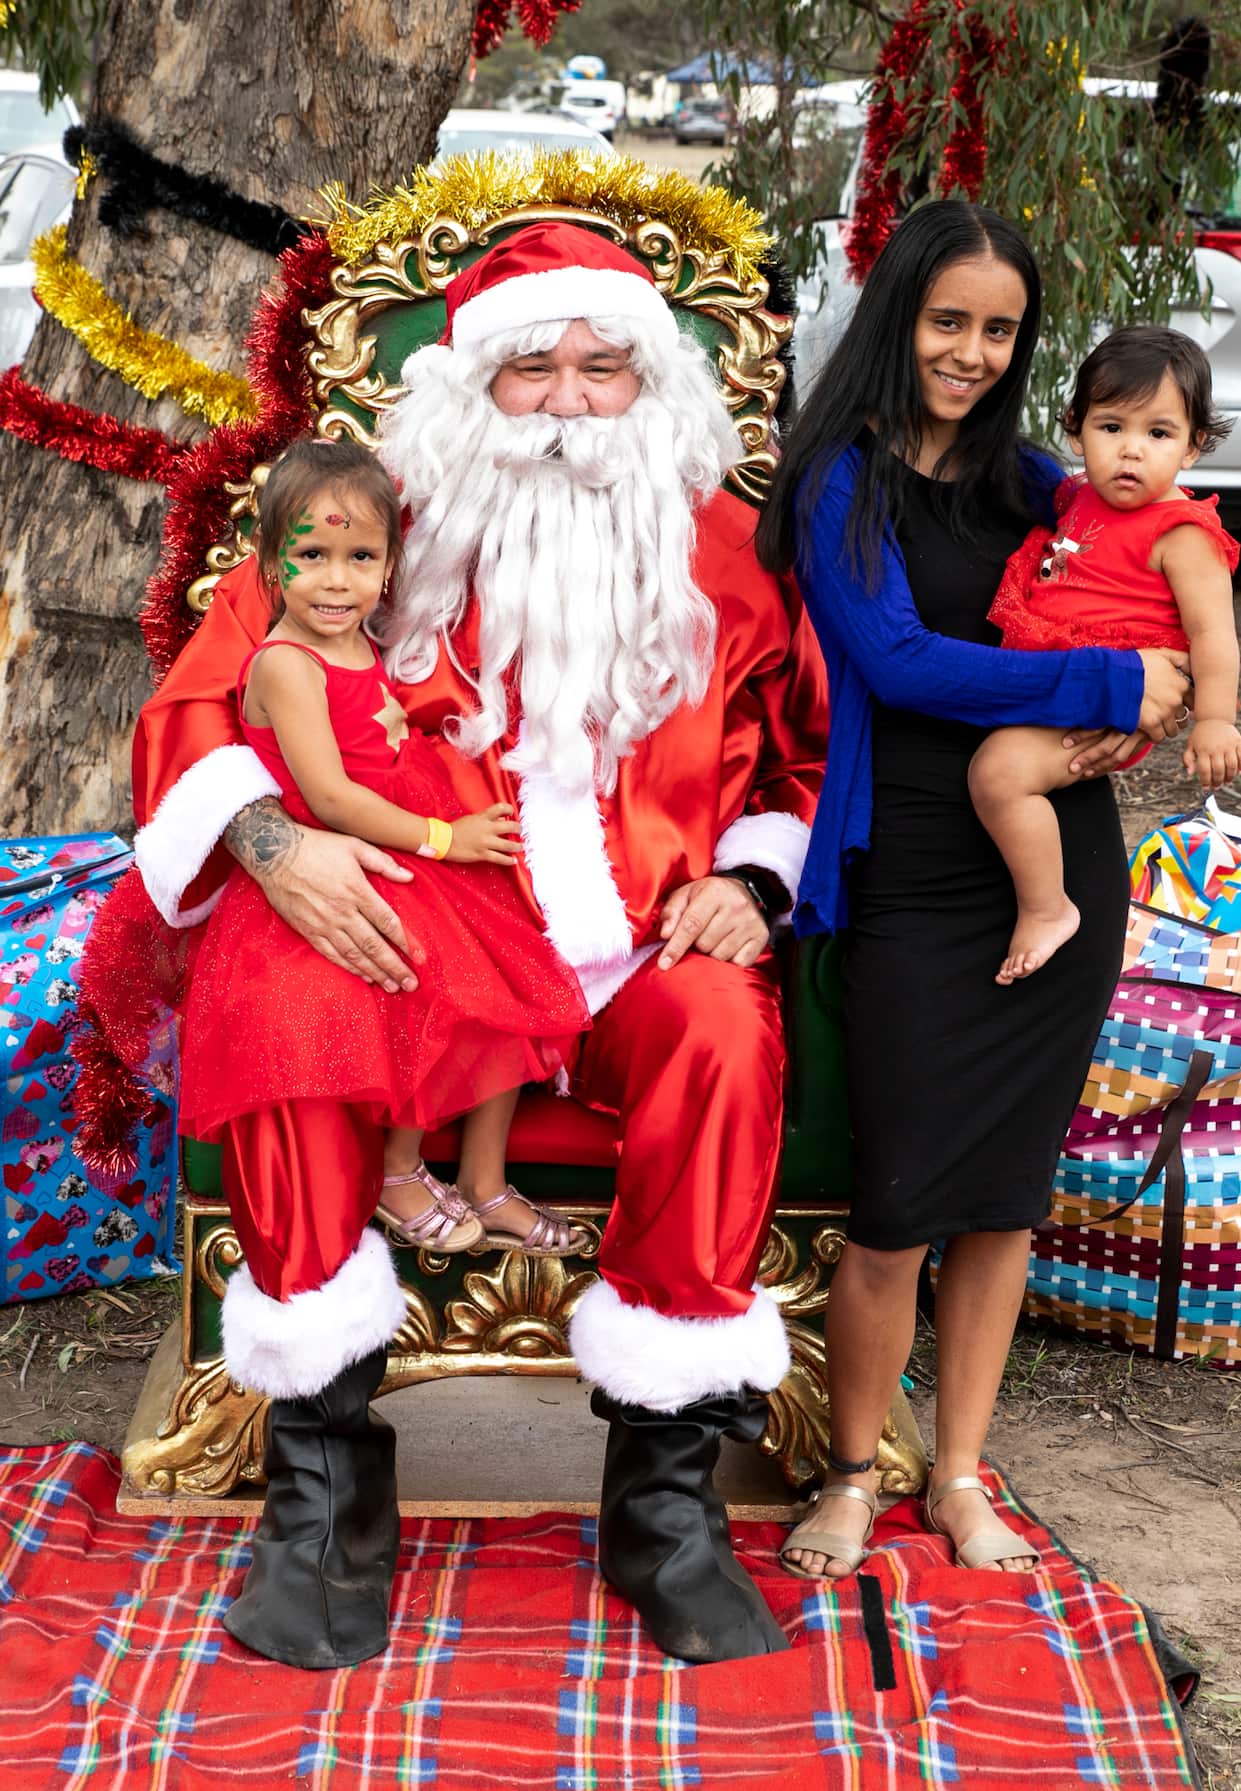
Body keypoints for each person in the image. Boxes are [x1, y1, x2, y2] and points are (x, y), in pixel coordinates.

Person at [129, 220, 827, 1666]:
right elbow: (202, 711)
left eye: (603, 363)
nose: (570, 397)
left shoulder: (731, 556)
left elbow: (806, 760)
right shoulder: (362, 528)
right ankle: (325, 1482)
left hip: (637, 944)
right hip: (423, 937)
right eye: (530, 367)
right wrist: (280, 841)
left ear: (657, 382)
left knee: (720, 1025)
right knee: (304, 1000)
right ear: (466, 386)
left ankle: (664, 1493)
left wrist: (756, 883)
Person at [756, 200, 1192, 1584]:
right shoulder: (841, 477)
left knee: (1003, 1197)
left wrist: (1178, 680)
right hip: (910, 872)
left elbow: (1159, 567)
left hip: (1054, 865)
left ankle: (955, 1474)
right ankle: (848, 1470)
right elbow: (895, 661)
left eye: (1000, 331)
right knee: (894, 1200)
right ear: (901, 316)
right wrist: (1113, 684)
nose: (972, 352)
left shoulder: (1042, 483)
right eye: (950, 321)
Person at [182, 433, 591, 1265]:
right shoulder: (286, 663)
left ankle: (486, 1180)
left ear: (390, 564)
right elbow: (330, 795)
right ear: (269, 565)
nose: (337, 579)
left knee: (517, 989)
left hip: (401, 839)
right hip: (347, 851)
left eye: (360, 555)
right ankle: (399, 1171)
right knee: (433, 983)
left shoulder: (363, 641)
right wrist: (449, 836)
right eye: (312, 554)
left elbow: (378, 734)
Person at [974, 325, 1241, 984]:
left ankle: (1047, 906)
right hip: (1065, 671)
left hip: (1118, 690)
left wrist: (1214, 718)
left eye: (1157, 434)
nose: (1130, 451)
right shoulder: (1076, 497)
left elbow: (1213, 633)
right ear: (1076, 429)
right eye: (1111, 426)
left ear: (1193, 447)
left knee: (998, 773)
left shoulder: (1181, 532)